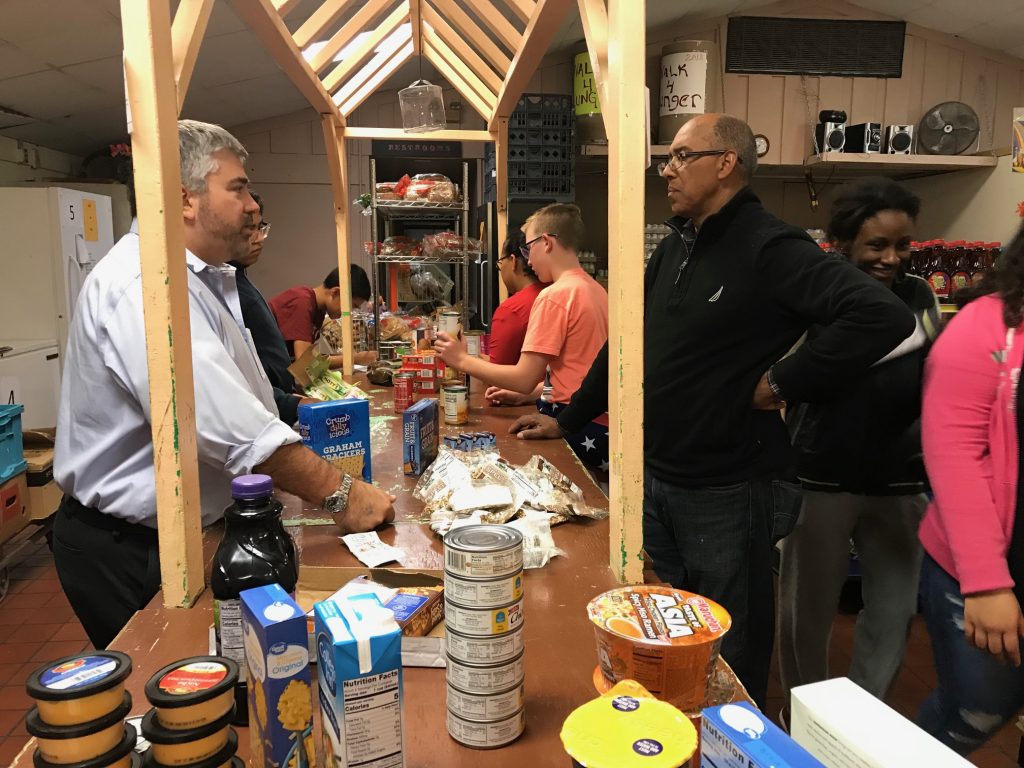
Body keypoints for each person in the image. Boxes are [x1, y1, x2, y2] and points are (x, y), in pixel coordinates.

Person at [505, 113, 915, 708]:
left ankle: (732, 739)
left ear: (726, 163)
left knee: (730, 642)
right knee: (670, 626)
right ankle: (680, 728)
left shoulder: (771, 246)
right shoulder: (675, 246)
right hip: (661, 475)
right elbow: (629, 348)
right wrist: (566, 420)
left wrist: (782, 380)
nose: (666, 170)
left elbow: (880, 316)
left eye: (680, 156)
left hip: (728, 486)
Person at [52, 120, 396, 649]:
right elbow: (231, 429)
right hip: (129, 546)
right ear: (185, 199)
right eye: (236, 188)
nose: (253, 204)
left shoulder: (201, 280)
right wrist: (343, 495)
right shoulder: (145, 284)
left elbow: (251, 399)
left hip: (178, 535)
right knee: (184, 692)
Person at [778, 178, 939, 705]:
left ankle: (867, 713)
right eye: (877, 245)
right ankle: (806, 712)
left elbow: (934, 371)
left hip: (901, 477)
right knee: (808, 606)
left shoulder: (918, 295)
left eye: (902, 245)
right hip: (822, 473)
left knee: (894, 607)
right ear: (843, 243)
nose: (891, 258)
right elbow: (789, 373)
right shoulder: (818, 295)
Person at [915, 220, 1024, 754]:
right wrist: (986, 582)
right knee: (975, 711)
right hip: (986, 570)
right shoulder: (987, 326)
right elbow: (954, 455)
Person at [433, 203, 611, 471]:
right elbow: (583, 374)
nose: (528, 260)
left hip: (578, 426)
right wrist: (526, 396)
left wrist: (461, 360)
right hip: (603, 424)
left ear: (547, 243)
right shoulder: (596, 290)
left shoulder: (555, 295)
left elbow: (525, 377)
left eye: (529, 249)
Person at [227, 191, 304, 424]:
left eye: (260, 228)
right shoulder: (223, 290)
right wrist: (295, 403)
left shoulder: (236, 278)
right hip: (266, 413)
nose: (259, 238)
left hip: (278, 404)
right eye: (249, 230)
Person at [269, 265, 377, 367]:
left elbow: (310, 357)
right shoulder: (302, 302)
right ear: (335, 292)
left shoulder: (319, 310)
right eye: (351, 305)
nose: (349, 312)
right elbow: (306, 363)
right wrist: (355, 358)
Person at [487, 229, 548, 366]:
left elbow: (498, 373)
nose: (501, 269)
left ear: (513, 261)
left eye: (501, 262)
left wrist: (461, 359)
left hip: (519, 387)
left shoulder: (512, 310)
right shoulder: (554, 293)